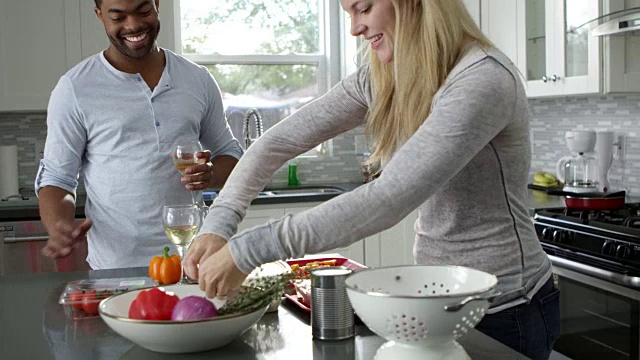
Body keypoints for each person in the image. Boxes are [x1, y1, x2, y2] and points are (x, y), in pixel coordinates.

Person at [185, 0, 559, 359]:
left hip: (505, 308)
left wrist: (247, 250)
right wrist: (218, 225)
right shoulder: (387, 75)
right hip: (436, 300)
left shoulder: (482, 78)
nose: (354, 28)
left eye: (364, 9)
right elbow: (277, 142)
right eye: (349, 12)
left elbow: (390, 196)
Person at [35, 0, 243, 269]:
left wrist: (210, 173)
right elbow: (56, 178)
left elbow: (230, 153)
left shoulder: (197, 79)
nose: (133, 25)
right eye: (118, 17)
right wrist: (58, 224)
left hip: (192, 262)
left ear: (157, 4)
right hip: (116, 267)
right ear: (100, 16)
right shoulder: (75, 88)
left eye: (143, 11)